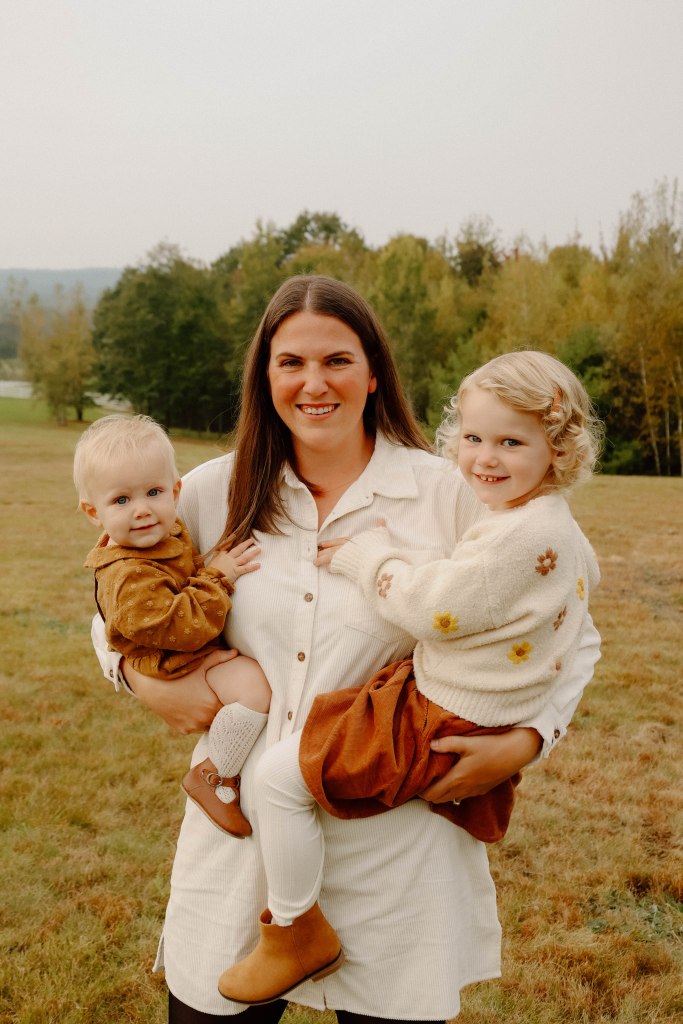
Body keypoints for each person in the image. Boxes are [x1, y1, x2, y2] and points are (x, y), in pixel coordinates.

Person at [92, 275, 601, 1024]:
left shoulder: (455, 493)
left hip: (396, 846)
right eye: (290, 363)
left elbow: (574, 628)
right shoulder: (206, 493)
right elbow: (113, 599)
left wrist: (528, 739)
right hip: (242, 838)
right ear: (264, 377)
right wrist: (143, 681)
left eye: (336, 360)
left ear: (372, 373)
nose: (314, 383)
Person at [216, 350, 601, 1005]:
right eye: (474, 437)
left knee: (277, 780)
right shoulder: (537, 521)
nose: (485, 458)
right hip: (449, 699)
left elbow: (434, 608)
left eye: (511, 442)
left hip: (441, 713)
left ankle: (293, 931)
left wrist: (369, 557)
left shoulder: (517, 532)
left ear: (558, 450)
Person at [75, 414, 271, 838]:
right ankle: (215, 774)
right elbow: (181, 626)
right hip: (174, 658)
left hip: (186, 648)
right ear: (93, 512)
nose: (142, 509)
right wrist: (218, 576)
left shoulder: (165, 534)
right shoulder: (128, 573)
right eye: (121, 500)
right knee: (253, 689)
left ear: (175, 491)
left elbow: (180, 575)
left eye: (154, 492)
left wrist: (204, 566)